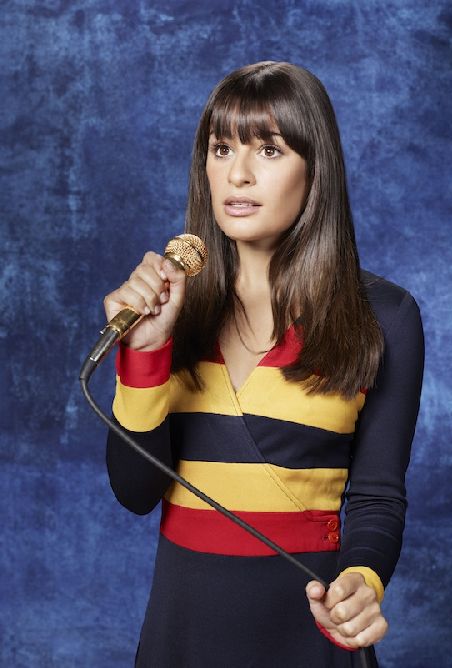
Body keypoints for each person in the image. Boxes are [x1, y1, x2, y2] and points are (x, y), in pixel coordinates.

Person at [104, 61, 424, 667]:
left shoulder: (384, 316)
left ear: (315, 169)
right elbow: (135, 491)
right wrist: (144, 353)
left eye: (269, 150)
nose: (238, 174)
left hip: (308, 634)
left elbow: (378, 496)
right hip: (182, 636)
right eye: (221, 148)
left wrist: (362, 581)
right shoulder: (170, 309)